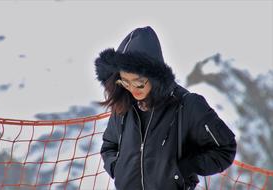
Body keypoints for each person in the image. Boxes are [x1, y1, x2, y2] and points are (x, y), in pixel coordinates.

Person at [94, 26, 236, 190]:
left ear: (154, 77)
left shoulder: (187, 105)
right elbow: (109, 145)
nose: (132, 89)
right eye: (125, 82)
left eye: (139, 83)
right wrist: (118, 169)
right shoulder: (124, 104)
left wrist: (184, 168)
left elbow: (225, 149)